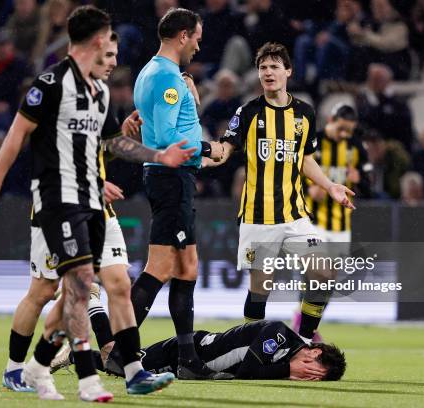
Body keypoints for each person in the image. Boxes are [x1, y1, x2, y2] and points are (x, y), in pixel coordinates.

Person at [0, 6, 195, 402]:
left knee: (116, 285)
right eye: (106, 39)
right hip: (56, 204)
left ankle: (129, 371)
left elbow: (111, 143)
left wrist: (158, 156)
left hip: (94, 202)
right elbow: (16, 134)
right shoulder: (50, 84)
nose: (111, 50)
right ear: (95, 39)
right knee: (51, 290)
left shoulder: (99, 91)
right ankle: (52, 374)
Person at [204, 42, 355, 346]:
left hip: (294, 214)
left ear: (288, 71)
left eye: (274, 66)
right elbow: (226, 149)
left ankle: (304, 340)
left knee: (323, 272)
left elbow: (305, 159)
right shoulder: (248, 112)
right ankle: (248, 348)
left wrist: (330, 186)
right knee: (261, 290)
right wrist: (207, 151)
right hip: (257, 217)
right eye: (263, 67)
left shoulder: (305, 114)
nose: (268, 72)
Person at [131, 8, 227, 381]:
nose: (199, 46)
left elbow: (152, 128)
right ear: (183, 35)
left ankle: (188, 358)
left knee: (188, 268)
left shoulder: (152, 73)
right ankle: (116, 349)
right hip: (171, 177)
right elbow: (167, 136)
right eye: (197, 38)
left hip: (172, 178)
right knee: (160, 268)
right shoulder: (168, 79)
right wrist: (207, 149)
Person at [70, 320, 345, 382]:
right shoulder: (280, 333)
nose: (308, 375)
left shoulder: (287, 358)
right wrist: (287, 370)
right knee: (117, 362)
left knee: (117, 366)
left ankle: (72, 354)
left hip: (195, 367)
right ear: (315, 352)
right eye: (314, 371)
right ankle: (93, 303)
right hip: (183, 352)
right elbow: (249, 372)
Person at [304, 104, 370, 243]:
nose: (344, 134)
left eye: (349, 131)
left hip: (342, 227)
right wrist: (307, 190)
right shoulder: (312, 141)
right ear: (330, 120)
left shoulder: (357, 146)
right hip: (311, 223)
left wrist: (359, 180)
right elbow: (289, 175)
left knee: (335, 266)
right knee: (316, 265)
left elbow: (368, 188)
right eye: (341, 128)